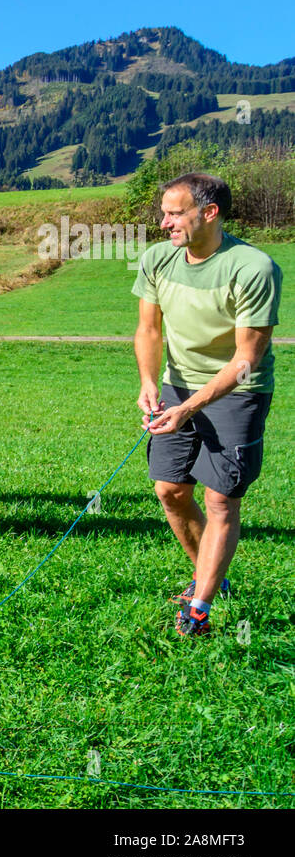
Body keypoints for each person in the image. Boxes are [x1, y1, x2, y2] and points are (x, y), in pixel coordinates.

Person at [133, 173, 281, 637]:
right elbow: (149, 329)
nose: (163, 223)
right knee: (169, 491)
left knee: (220, 500)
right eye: (164, 213)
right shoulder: (158, 259)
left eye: (174, 213)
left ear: (209, 213)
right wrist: (148, 381)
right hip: (177, 388)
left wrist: (192, 406)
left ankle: (199, 608)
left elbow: (246, 360)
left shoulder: (253, 267)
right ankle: (210, 576)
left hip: (237, 393)